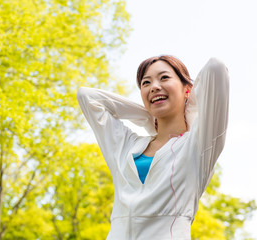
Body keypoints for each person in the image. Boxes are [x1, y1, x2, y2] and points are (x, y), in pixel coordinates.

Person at [77, 56, 229, 240]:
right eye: (146, 83)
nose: (154, 86)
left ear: (187, 89)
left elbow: (216, 68)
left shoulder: (197, 145)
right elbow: (87, 97)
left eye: (164, 78)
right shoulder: (126, 146)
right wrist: (147, 117)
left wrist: (188, 108)